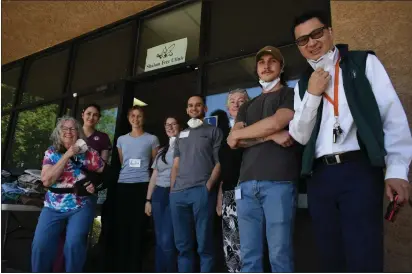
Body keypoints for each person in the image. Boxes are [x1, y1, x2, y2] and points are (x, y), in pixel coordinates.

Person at [289, 11, 412, 272]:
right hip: (319, 177)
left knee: (363, 255)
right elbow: (299, 135)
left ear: (330, 31)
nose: (311, 43)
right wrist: (312, 94)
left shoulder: (363, 63)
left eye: (316, 34)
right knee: (330, 258)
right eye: (302, 41)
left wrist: (397, 170)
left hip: (359, 170)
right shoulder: (302, 84)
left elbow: (392, 118)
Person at [227, 46, 301, 272]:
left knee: (280, 254)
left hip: (279, 182)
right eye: (261, 62)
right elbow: (233, 140)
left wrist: (249, 132)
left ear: (281, 67)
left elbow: (279, 121)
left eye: (272, 61)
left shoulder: (290, 94)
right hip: (246, 186)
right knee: (249, 256)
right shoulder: (247, 105)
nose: (266, 66)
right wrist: (271, 135)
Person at [31, 116, 104, 272]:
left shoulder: (89, 152)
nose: (69, 132)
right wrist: (67, 154)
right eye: (65, 128)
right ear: (59, 132)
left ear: (78, 133)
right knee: (40, 244)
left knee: (74, 242)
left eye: (73, 128)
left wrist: (94, 185)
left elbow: (106, 173)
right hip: (53, 205)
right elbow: (46, 181)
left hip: (81, 204)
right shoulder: (52, 152)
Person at [170, 95, 223, 272]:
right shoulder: (180, 135)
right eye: (190, 105)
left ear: (204, 109)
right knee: (183, 246)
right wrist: (172, 190)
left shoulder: (214, 131)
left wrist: (207, 186)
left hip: (201, 191)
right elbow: (175, 164)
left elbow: (219, 162)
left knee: (204, 245)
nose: (194, 108)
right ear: (187, 110)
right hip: (178, 194)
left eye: (198, 105)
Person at [113, 105, 159, 272]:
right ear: (128, 118)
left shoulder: (152, 139)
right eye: (133, 115)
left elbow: (155, 165)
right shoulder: (121, 140)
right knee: (123, 226)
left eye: (139, 116)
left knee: (138, 227)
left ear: (143, 119)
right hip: (123, 185)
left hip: (142, 185)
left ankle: (136, 266)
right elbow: (123, 161)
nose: (136, 119)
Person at [215, 89, 249, 273]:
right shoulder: (226, 133)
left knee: (251, 247)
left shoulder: (253, 129)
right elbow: (225, 168)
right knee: (232, 248)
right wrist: (220, 195)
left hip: (249, 192)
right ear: (228, 108)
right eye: (232, 101)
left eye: (241, 100)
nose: (236, 104)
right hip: (229, 195)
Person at [145, 116, 182, 272]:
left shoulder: (185, 145)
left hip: (174, 192)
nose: (170, 127)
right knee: (160, 238)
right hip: (158, 194)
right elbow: (154, 176)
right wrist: (148, 199)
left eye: (173, 124)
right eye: (167, 124)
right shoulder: (161, 150)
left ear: (180, 126)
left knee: (168, 239)